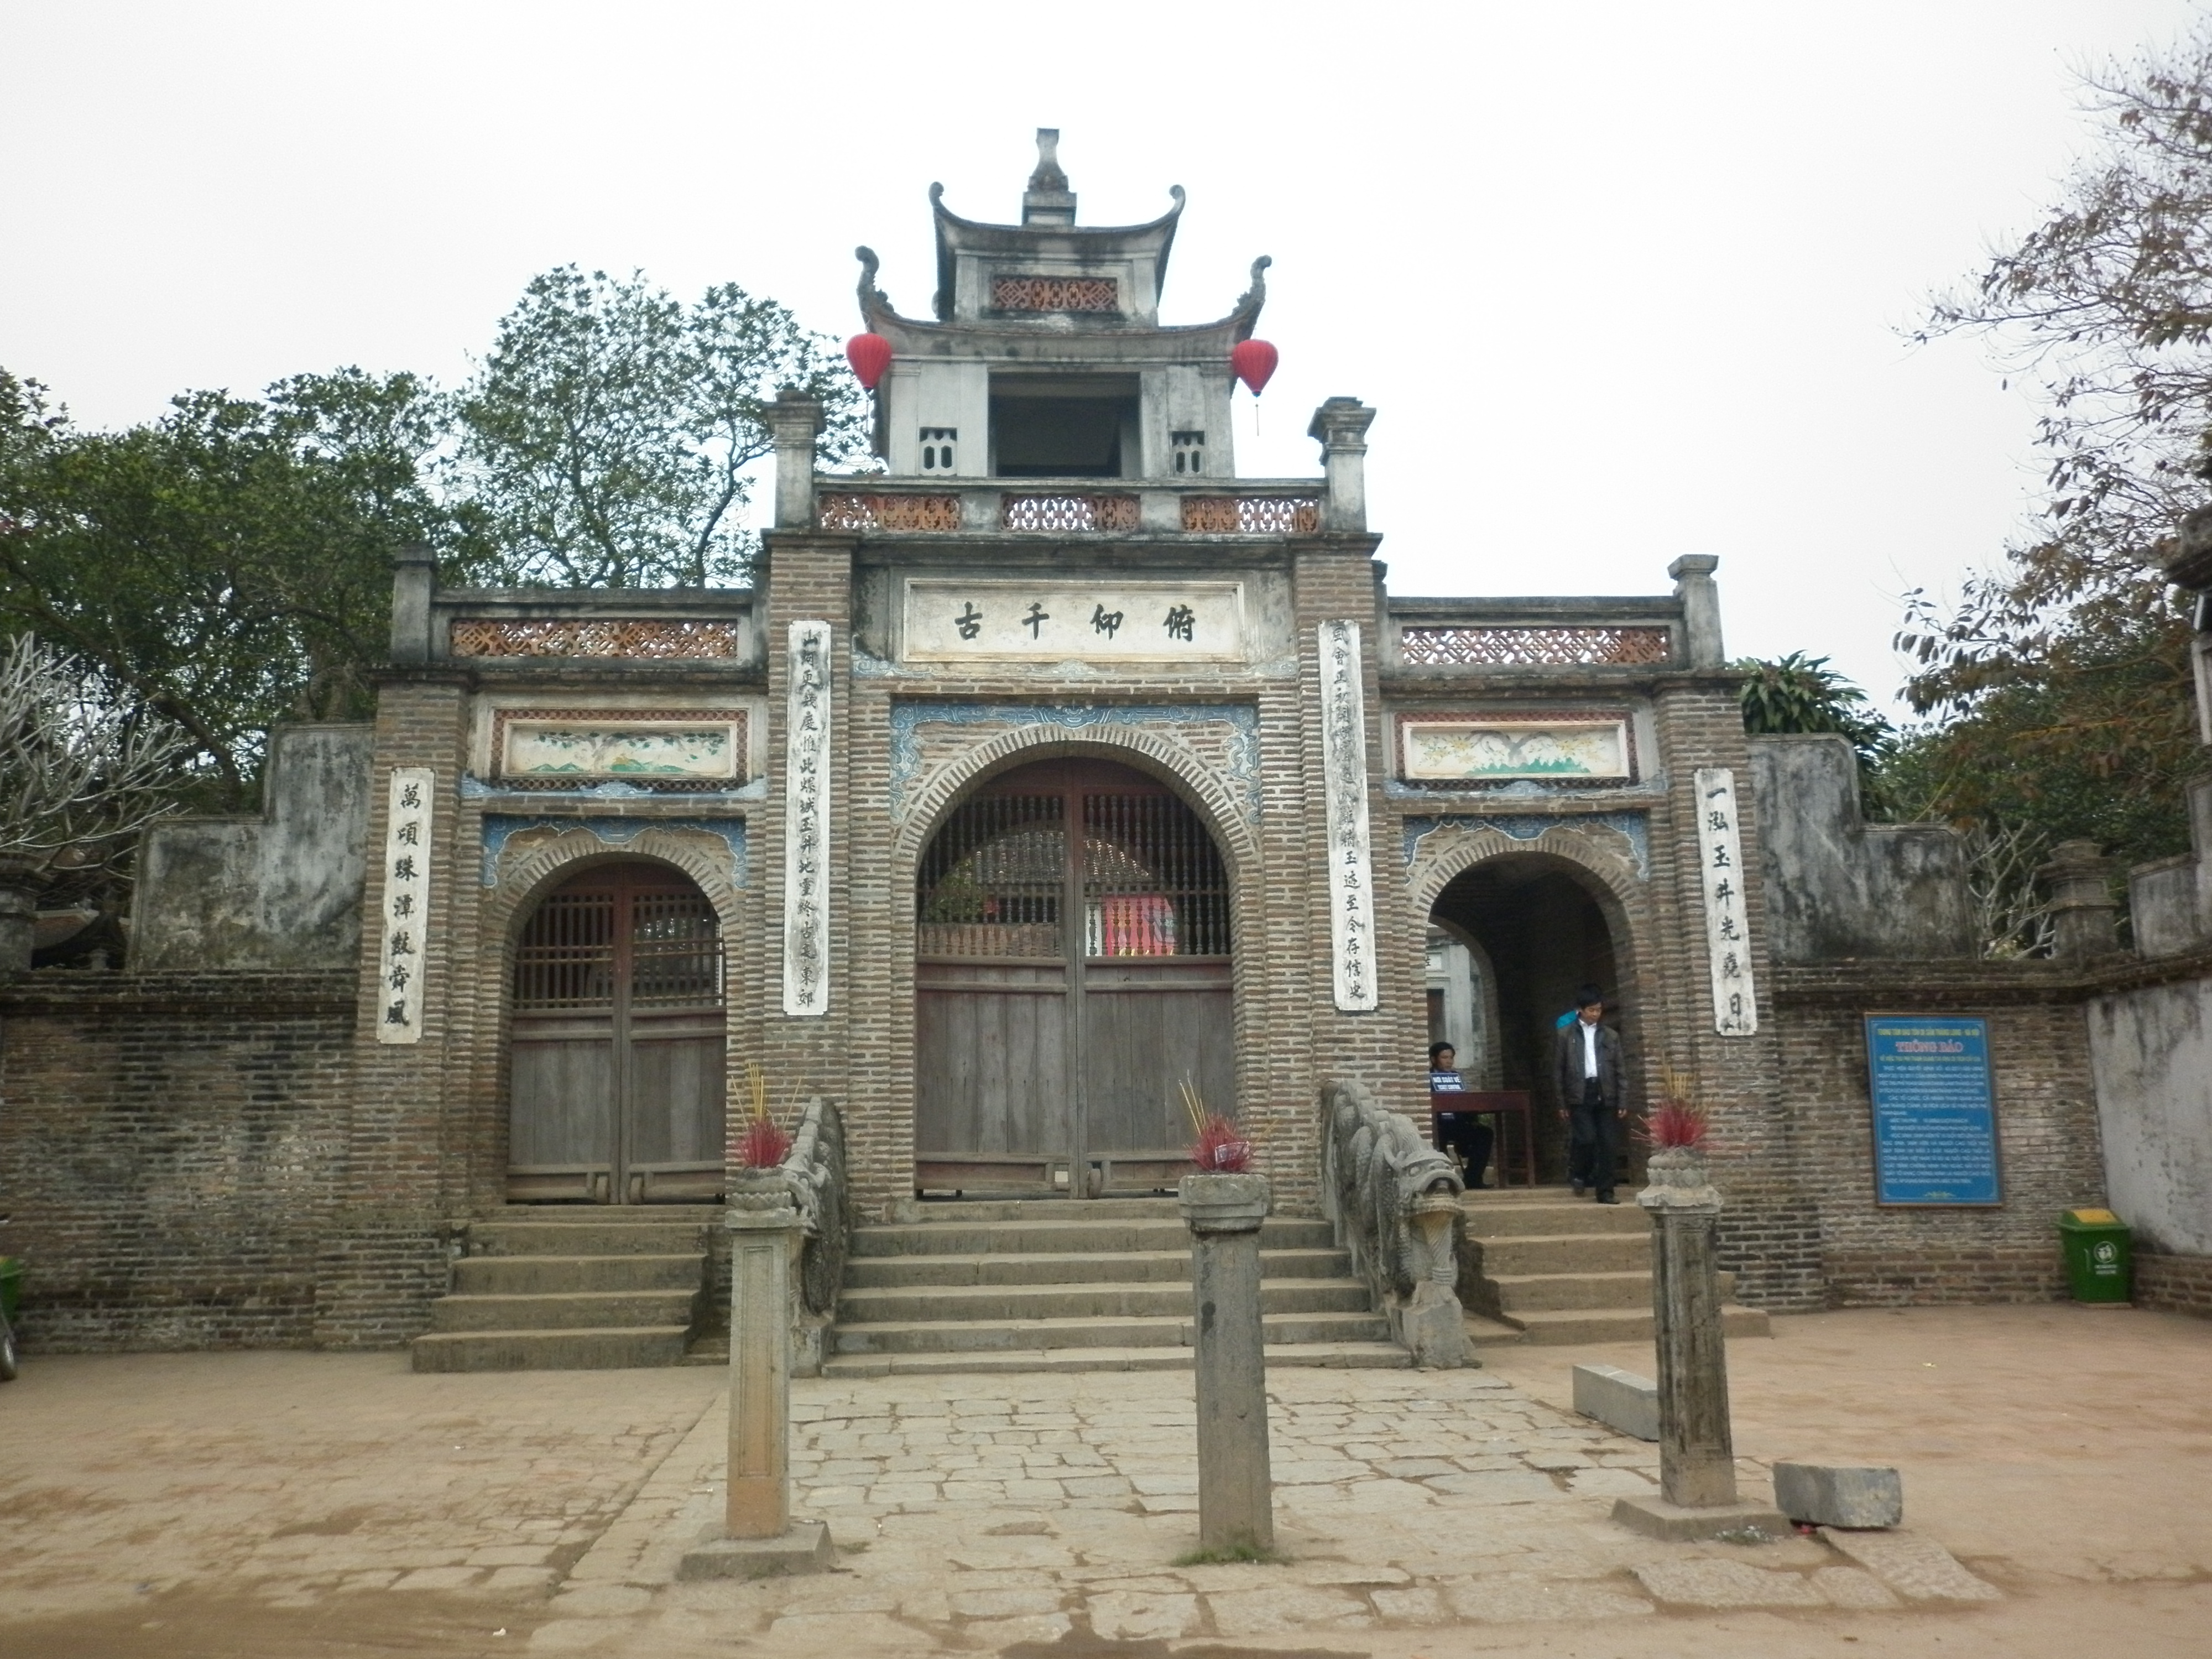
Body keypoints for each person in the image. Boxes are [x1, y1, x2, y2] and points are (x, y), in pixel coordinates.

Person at [1551, 985, 1626, 1203]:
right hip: (1579, 1093)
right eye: (1591, 1010)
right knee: (1586, 1139)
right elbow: (1558, 1071)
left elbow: (1620, 1070)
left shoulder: (1610, 1036)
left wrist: (1623, 1099)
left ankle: (1605, 1191)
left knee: (1609, 1144)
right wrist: (1561, 1102)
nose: (1595, 1014)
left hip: (1605, 1092)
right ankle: (1579, 1172)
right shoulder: (1565, 1035)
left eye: (1598, 1010)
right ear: (1580, 1010)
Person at [1427, 1040, 1494, 1190]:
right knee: (1437, 1140)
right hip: (1438, 1125)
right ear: (1433, 1059)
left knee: (1485, 1134)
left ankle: (1472, 1179)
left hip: (1458, 1124)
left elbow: (1465, 1101)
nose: (1449, 1061)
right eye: (1445, 1058)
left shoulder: (1457, 1077)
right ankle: (1443, 1182)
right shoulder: (1426, 1079)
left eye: (1451, 1058)